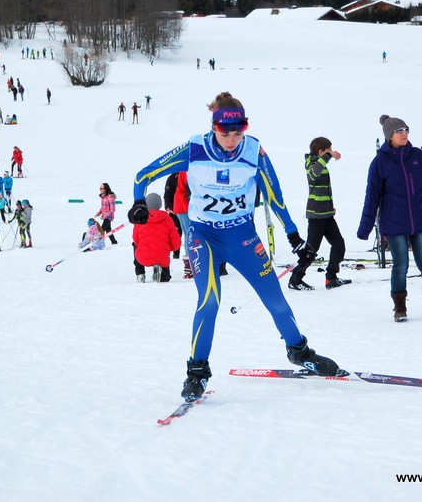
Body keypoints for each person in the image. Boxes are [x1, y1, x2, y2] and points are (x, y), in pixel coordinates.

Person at [128, 91, 339, 401]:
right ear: (214, 126)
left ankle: (299, 351)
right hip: (203, 237)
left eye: (238, 131)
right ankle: (197, 372)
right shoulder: (194, 148)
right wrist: (137, 204)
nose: (231, 138)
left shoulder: (254, 151)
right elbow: (143, 175)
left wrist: (294, 238)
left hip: (242, 236)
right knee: (209, 301)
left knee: (275, 299)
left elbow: (274, 197)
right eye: (224, 131)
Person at [357, 115, 422, 322]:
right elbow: (371, 197)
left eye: (406, 130)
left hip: (420, 220)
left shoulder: (417, 156)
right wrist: (365, 228)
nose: (404, 134)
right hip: (394, 223)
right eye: (399, 131)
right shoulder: (379, 162)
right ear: (389, 136)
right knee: (400, 266)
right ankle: (399, 308)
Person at [288, 137, 350, 291]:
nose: (332, 152)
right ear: (321, 152)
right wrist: (329, 156)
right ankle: (295, 279)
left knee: (338, 244)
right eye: (328, 150)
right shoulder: (311, 164)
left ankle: (331, 278)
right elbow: (314, 173)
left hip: (327, 214)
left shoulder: (321, 164)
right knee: (310, 250)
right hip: (316, 215)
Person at [133, 193, 181, 283]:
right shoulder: (168, 219)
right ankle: (163, 273)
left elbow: (136, 239)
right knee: (164, 271)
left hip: (143, 257)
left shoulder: (140, 219)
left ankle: (140, 273)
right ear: (160, 204)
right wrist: (171, 248)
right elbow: (175, 241)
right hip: (162, 256)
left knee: (135, 246)